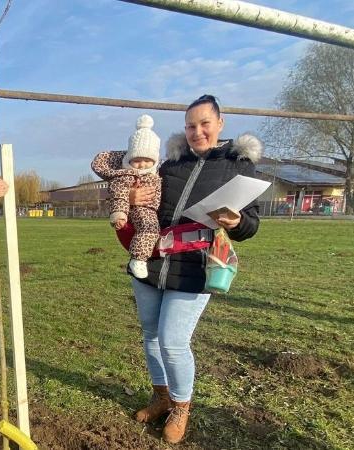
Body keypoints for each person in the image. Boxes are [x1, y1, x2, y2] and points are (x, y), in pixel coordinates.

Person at [126, 95, 261, 444]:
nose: (197, 131)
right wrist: (133, 200)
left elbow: (251, 225)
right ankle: (161, 396)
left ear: (220, 123)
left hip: (194, 267)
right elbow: (146, 202)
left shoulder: (238, 166)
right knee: (151, 334)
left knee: (173, 341)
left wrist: (236, 220)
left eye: (204, 124)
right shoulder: (169, 164)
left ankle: (181, 407)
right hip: (153, 260)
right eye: (190, 125)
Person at [91, 114, 162, 279]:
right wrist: (120, 213)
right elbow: (119, 194)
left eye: (147, 160)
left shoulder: (158, 173)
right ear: (129, 159)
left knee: (152, 230)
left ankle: (141, 257)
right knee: (149, 228)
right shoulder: (126, 175)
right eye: (137, 160)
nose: (142, 165)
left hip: (153, 211)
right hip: (141, 210)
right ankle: (138, 259)